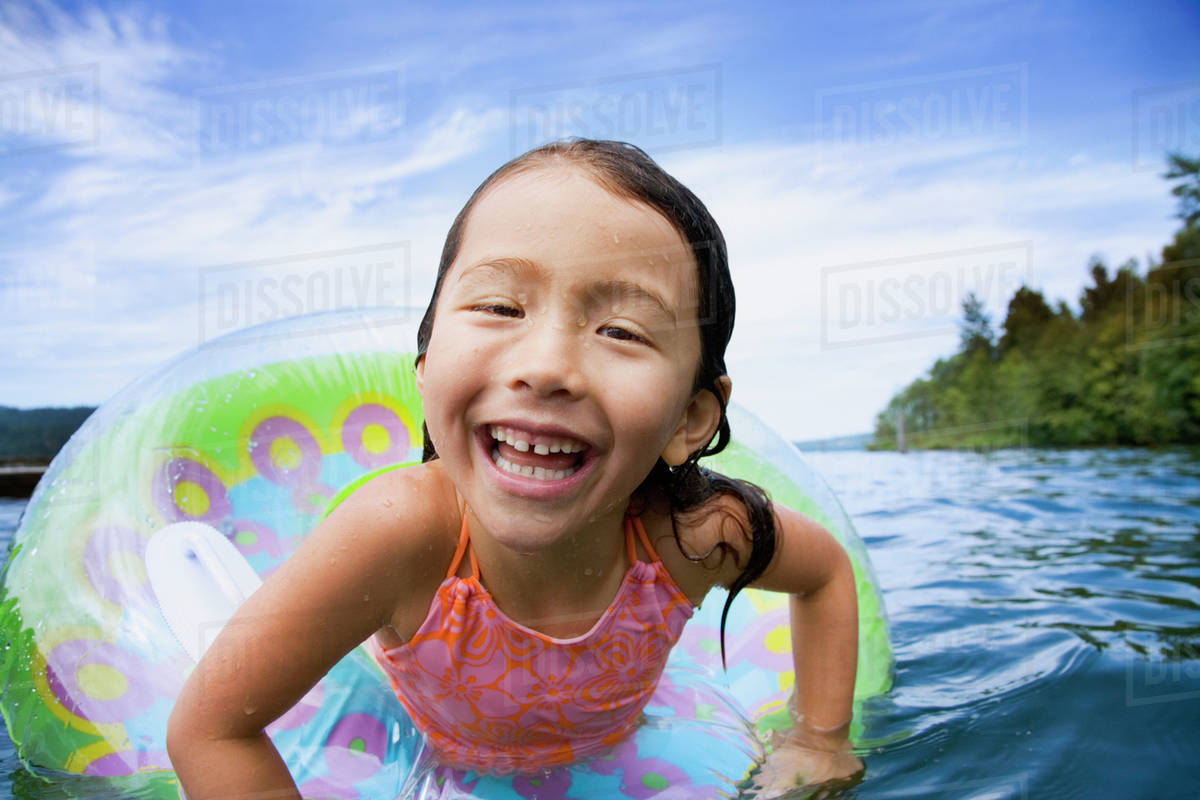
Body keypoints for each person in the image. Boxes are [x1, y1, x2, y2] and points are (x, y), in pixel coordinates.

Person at [166, 139, 863, 798]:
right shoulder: (396, 536)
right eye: (500, 306)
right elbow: (210, 729)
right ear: (428, 365)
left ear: (690, 420)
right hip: (414, 735)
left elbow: (827, 572)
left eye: (621, 330)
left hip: (619, 747)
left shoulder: (697, 535)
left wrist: (819, 738)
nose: (546, 367)